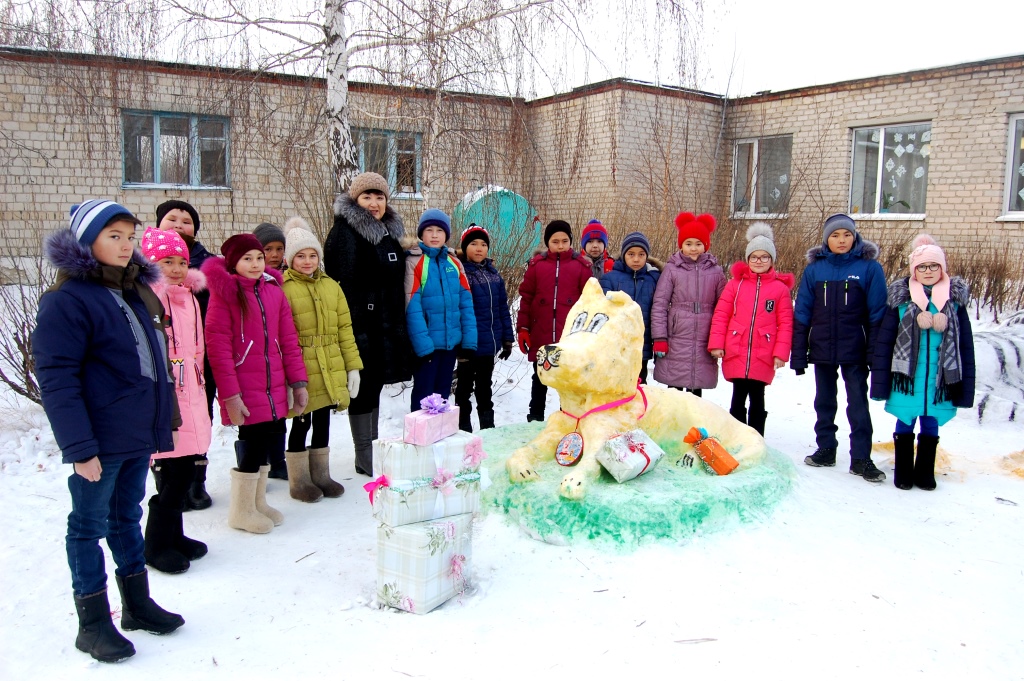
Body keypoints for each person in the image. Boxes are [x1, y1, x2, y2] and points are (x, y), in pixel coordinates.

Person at [34, 200, 185, 663]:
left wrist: (161, 422)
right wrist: (80, 447)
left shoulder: (132, 290)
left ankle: (136, 604)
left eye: (129, 236)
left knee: (126, 518)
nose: (125, 245)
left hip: (135, 432)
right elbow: (57, 378)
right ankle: (93, 623)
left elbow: (153, 364)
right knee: (87, 526)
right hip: (98, 440)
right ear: (86, 241)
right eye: (113, 236)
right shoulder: (68, 300)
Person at [202, 234, 309, 533]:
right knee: (251, 443)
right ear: (232, 263)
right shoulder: (225, 294)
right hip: (243, 384)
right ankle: (241, 510)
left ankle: (257, 503)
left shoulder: (274, 291)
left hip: (273, 382)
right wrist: (230, 395)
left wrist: (298, 382)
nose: (255, 264)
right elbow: (218, 347)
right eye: (247, 259)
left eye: (259, 258)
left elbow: (288, 339)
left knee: (267, 441)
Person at [323, 172, 413, 475]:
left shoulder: (386, 232)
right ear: (355, 200)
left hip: (384, 324)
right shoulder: (345, 232)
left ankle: (371, 447)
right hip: (360, 325)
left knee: (373, 384)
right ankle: (364, 454)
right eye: (367, 197)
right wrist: (355, 327)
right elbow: (343, 284)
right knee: (362, 388)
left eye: (379, 197)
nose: (374, 203)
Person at [871, 234, 975, 490]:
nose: (928, 271)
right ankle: (903, 472)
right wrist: (880, 382)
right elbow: (885, 343)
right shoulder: (901, 302)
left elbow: (965, 346)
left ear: (942, 268)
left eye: (933, 266)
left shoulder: (954, 304)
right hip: (906, 378)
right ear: (914, 270)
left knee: (931, 421)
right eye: (922, 266)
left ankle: (925, 473)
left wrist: (965, 387)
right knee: (905, 420)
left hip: (940, 380)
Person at [791, 213, 888, 483]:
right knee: (824, 400)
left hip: (855, 348)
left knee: (857, 403)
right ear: (826, 240)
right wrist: (799, 352)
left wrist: (874, 352)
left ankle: (861, 458)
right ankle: (826, 448)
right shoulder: (815, 270)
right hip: (822, 346)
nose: (841, 240)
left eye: (847, 234)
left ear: (855, 237)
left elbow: (877, 313)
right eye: (835, 235)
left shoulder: (869, 268)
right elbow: (802, 312)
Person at [140, 227, 212, 574]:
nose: (176, 269)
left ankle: (175, 535)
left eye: (182, 262)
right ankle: (155, 544)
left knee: (182, 466)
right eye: (166, 261)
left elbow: (197, 350)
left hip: (191, 391)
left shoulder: (189, 298)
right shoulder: (148, 299)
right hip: (165, 393)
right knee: (175, 470)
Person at [281, 217, 363, 502]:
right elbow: (282, 336)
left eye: (312, 255)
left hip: (330, 363)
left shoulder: (331, 287)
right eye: (300, 256)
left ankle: (321, 475)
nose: (307, 261)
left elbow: (345, 329)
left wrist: (353, 366)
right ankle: (299, 481)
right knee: (301, 422)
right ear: (290, 259)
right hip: (302, 366)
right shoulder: (283, 288)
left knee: (323, 421)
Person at [155, 200, 216, 508]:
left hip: (201, 356)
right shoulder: (147, 270)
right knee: (167, 421)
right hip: (165, 362)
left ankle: (197, 481)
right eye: (172, 218)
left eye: (187, 220)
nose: (179, 224)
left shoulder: (209, 265)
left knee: (201, 416)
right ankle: (167, 483)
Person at [708, 223, 794, 436]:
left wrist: (780, 353)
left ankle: (756, 438)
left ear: (772, 260)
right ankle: (737, 437)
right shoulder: (735, 285)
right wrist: (717, 344)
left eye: (764, 257)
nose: (759, 261)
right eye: (754, 257)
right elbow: (721, 315)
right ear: (747, 259)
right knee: (738, 396)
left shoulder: (780, 289)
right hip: (736, 349)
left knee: (757, 396)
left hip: (763, 352)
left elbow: (785, 323)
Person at [517, 220, 593, 421]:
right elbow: (526, 299)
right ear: (547, 242)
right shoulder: (536, 266)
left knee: (568, 382)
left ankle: (567, 419)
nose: (560, 245)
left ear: (571, 241)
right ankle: (535, 419)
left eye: (565, 241)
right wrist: (523, 328)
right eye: (555, 241)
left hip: (569, 339)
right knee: (539, 379)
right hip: (541, 334)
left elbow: (590, 303)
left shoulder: (582, 267)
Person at [405, 209, 477, 410]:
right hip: (427, 345)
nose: (435, 235)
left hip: (450, 344)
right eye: (429, 230)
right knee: (423, 395)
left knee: (443, 394)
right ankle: (420, 431)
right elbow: (412, 307)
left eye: (440, 230)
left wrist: (469, 342)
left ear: (446, 235)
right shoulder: (414, 262)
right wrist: (423, 345)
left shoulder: (454, 262)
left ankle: (440, 429)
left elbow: (466, 303)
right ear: (421, 234)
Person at [651, 212, 726, 396]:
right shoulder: (672, 269)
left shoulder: (716, 272)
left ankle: (694, 414)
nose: (693, 249)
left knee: (696, 386)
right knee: (674, 389)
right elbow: (660, 304)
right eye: (688, 243)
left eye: (698, 244)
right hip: (676, 335)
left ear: (706, 245)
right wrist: (659, 338)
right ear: (681, 245)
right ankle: (673, 415)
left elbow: (724, 307)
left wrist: (719, 339)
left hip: (704, 335)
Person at [454, 224, 514, 431]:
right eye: (473, 244)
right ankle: (463, 431)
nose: (479, 248)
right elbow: (457, 311)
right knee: (463, 390)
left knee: (484, 389)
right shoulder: (461, 274)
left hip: (489, 345)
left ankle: (488, 431)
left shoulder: (494, 275)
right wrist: (459, 343)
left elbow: (502, 308)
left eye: (483, 244)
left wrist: (507, 339)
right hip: (468, 347)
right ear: (464, 247)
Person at [251, 220, 289, 479]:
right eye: (268, 249)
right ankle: (256, 461)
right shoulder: (250, 280)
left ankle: (277, 459)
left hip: (280, 353)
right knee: (259, 414)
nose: (274, 255)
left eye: (279, 249)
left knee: (279, 410)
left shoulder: (288, 277)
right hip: (256, 357)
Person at [599, 231, 661, 383]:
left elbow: (659, 310)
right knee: (615, 382)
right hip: (616, 343)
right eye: (631, 254)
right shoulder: (610, 279)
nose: (636, 259)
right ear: (624, 255)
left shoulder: (653, 279)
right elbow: (603, 310)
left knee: (639, 383)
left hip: (642, 344)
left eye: (641, 254)